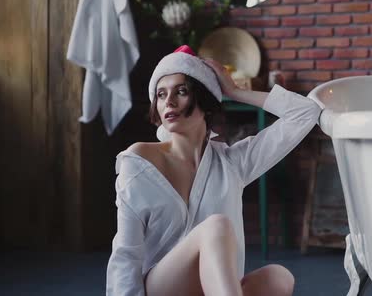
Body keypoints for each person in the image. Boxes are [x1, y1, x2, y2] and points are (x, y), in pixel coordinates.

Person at [106, 45, 322, 295]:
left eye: (182, 91)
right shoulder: (140, 160)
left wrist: (235, 92)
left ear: (206, 101)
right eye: (161, 94)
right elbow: (125, 253)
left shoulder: (232, 164)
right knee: (216, 226)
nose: (170, 102)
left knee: (278, 278)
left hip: (215, 289)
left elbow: (306, 113)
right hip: (161, 287)